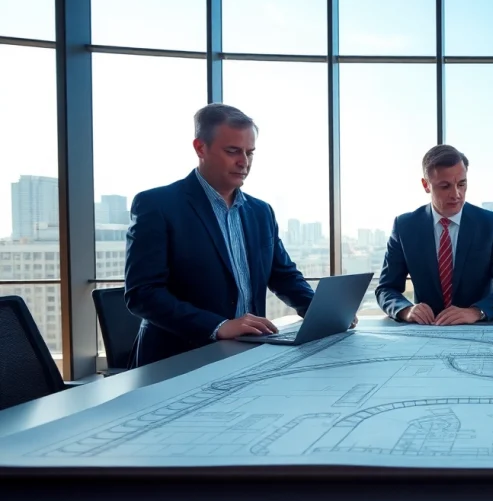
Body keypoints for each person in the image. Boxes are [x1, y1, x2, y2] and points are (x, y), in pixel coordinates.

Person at [124, 103, 345, 368]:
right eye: (232, 151)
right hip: (177, 358)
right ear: (200, 148)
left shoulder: (260, 211)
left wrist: (320, 312)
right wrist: (218, 326)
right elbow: (142, 294)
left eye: (250, 152)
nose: (244, 162)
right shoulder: (157, 205)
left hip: (249, 355)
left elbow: (283, 275)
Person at [375, 144, 493, 325]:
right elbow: (386, 288)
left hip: (479, 329)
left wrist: (476, 312)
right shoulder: (405, 226)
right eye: (445, 186)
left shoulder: (491, 224)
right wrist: (406, 310)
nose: (456, 194)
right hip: (426, 331)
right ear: (426, 185)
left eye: (462, 184)